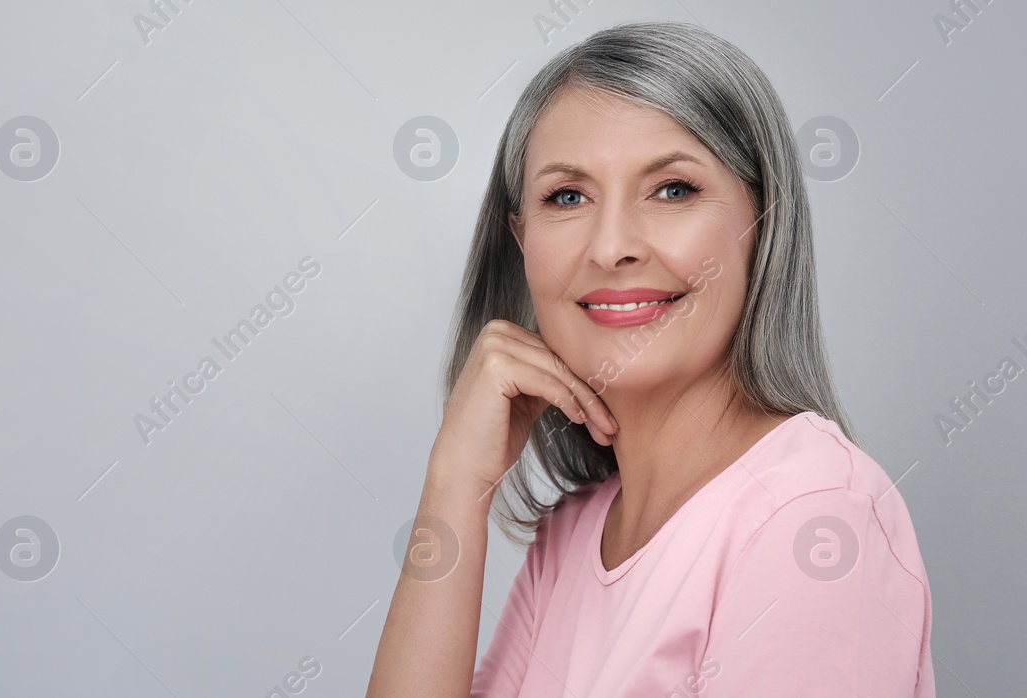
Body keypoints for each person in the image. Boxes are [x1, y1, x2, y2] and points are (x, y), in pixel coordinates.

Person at [365, 21, 933, 697]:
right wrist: (455, 483)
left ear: (763, 222)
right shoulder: (576, 533)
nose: (612, 247)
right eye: (567, 197)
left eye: (671, 189)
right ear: (522, 241)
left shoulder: (811, 515)